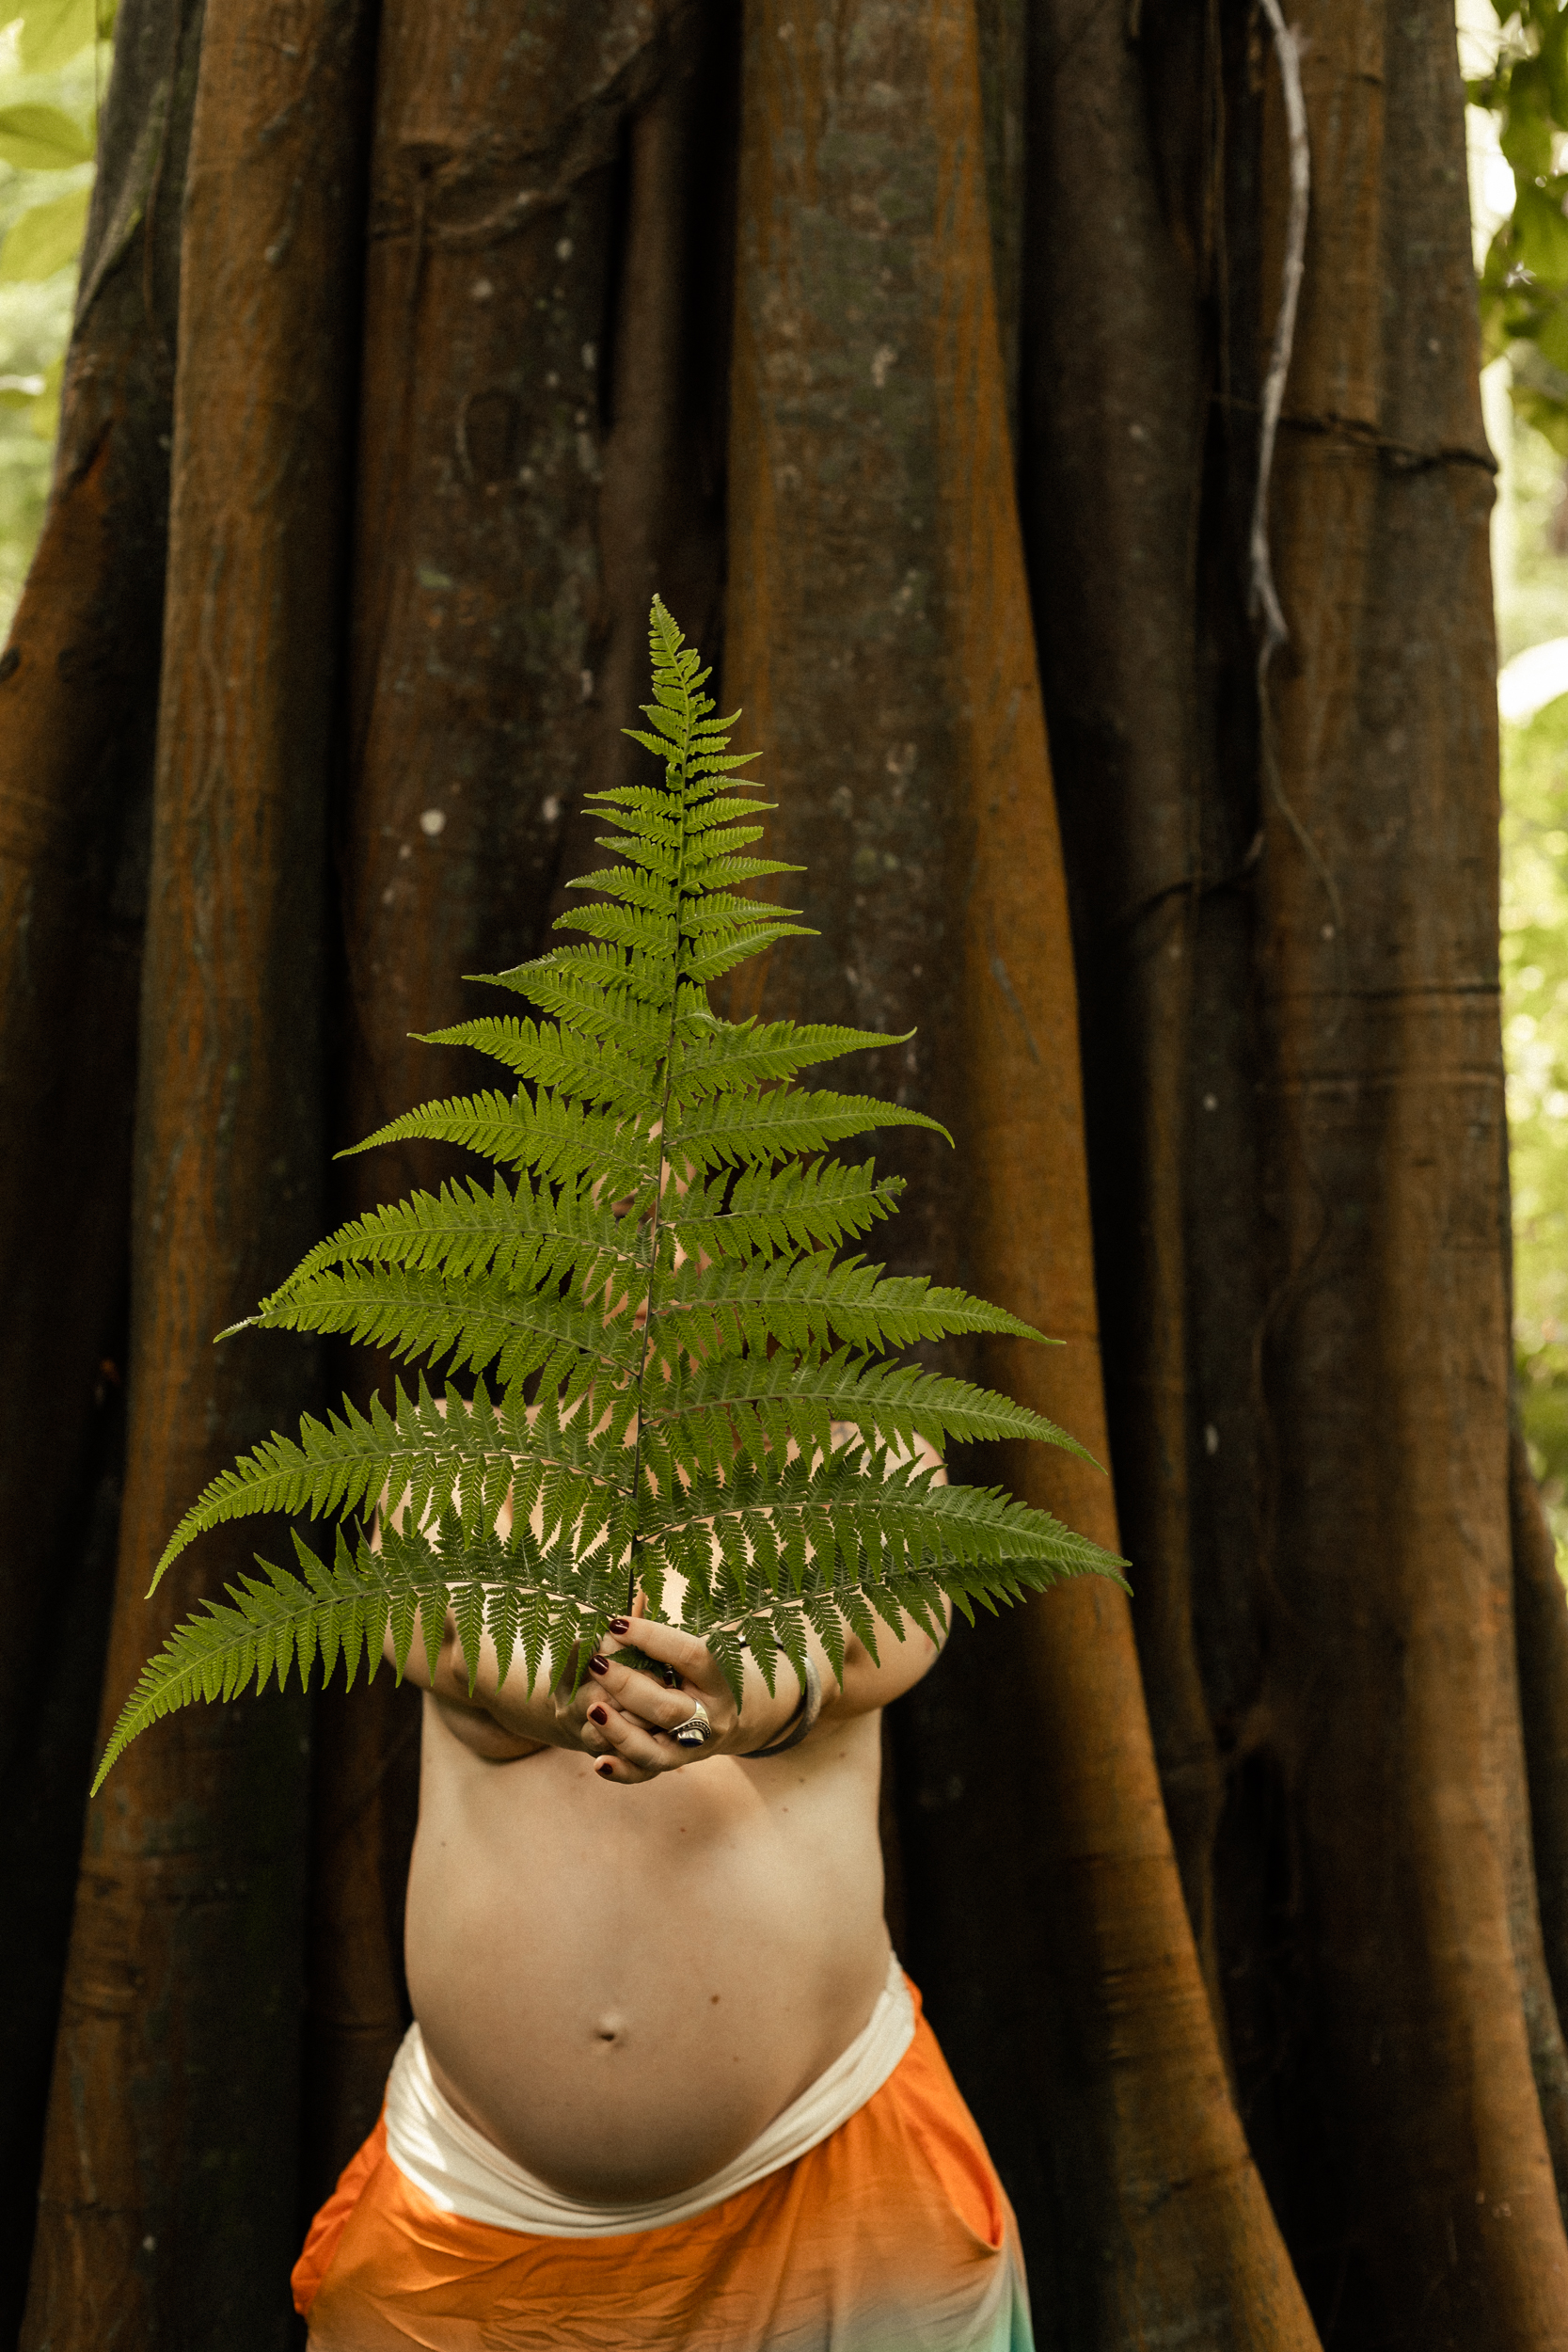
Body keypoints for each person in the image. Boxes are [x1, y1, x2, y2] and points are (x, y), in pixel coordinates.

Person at [292, 1417, 1035, 2352]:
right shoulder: (444, 1462)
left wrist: (744, 1700)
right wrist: (558, 1692)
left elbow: (879, 1631)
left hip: (831, 2173)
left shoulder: (866, 1455)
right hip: (466, 2221)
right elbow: (433, 1627)